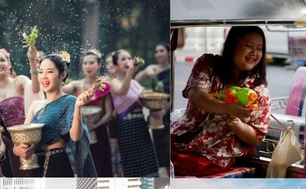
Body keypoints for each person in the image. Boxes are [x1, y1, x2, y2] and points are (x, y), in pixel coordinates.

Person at [171, 26, 271, 176]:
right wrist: (228, 107)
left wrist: (237, 124)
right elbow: (197, 95)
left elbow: (256, 138)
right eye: (248, 46)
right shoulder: (208, 64)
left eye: (259, 48)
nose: (254, 53)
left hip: (214, 158)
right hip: (180, 143)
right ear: (232, 45)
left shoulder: (259, 90)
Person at [14, 52, 96, 177]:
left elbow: (75, 137)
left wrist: (78, 108)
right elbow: (21, 140)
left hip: (57, 163)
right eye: (41, 72)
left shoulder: (70, 101)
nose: (44, 77)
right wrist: (19, 150)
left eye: (50, 72)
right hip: (35, 166)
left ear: (62, 74)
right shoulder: (35, 105)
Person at [0, 47, 40, 176]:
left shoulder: (19, 82)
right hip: (4, 144)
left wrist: (32, 62)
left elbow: (35, 89)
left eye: (2, 60)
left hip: (25, 138)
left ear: (9, 64)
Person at [63, 49, 114, 177]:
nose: (88, 66)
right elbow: (59, 90)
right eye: (85, 63)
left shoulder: (104, 85)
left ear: (99, 65)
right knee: (84, 167)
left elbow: (108, 114)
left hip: (100, 130)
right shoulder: (76, 85)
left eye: (91, 62)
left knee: (102, 167)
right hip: (81, 131)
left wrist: (95, 126)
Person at [110, 49, 159, 177]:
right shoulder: (114, 82)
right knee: (133, 168)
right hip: (127, 127)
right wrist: (131, 72)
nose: (127, 61)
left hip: (141, 125)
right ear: (116, 66)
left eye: (129, 58)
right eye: (123, 59)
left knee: (149, 166)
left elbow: (146, 98)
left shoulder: (135, 83)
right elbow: (122, 91)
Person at [135, 42, 171, 177]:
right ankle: (163, 176)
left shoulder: (171, 70)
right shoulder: (153, 68)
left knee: (168, 146)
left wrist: (164, 111)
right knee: (158, 146)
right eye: (156, 51)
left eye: (161, 51)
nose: (158, 54)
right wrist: (146, 72)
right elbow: (137, 79)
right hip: (155, 112)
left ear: (168, 53)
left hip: (167, 112)